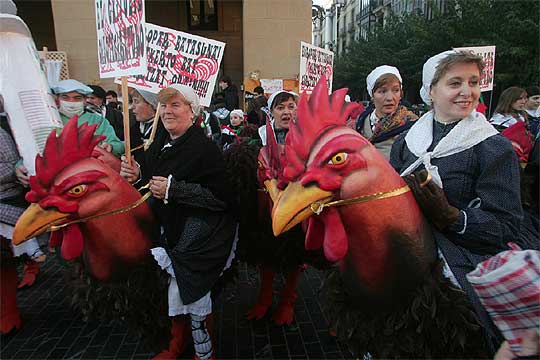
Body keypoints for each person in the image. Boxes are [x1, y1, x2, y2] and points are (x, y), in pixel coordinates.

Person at [390, 50, 537, 351]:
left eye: (473, 82)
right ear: (431, 90)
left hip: (464, 265)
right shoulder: (407, 141)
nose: (467, 91)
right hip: (406, 250)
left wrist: (450, 217)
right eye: (454, 82)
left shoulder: (493, 147)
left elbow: (506, 225)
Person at [120, 84, 236, 360]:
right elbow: (150, 179)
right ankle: (177, 342)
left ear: (192, 112)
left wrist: (175, 190)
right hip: (168, 228)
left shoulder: (204, 149)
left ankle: (203, 351)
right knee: (170, 292)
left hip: (202, 235)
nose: (168, 111)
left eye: (176, 105)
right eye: (165, 105)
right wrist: (136, 173)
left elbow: (223, 198)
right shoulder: (161, 142)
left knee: (191, 291)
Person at [15, 79, 124, 185]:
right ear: (57, 98)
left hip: (90, 178)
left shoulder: (97, 120)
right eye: (65, 97)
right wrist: (21, 166)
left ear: (85, 99)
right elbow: (33, 149)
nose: (71, 102)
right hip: (55, 181)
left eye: (77, 98)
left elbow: (118, 145)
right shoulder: (48, 120)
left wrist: (111, 147)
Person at [355, 65, 417, 159]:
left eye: (395, 90)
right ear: (372, 95)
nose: (389, 98)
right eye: (382, 91)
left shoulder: (412, 126)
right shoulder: (360, 123)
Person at [129, 88, 165, 166]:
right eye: (132, 101)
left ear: (151, 104)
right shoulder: (133, 128)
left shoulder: (164, 129)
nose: (132, 106)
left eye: (136, 101)